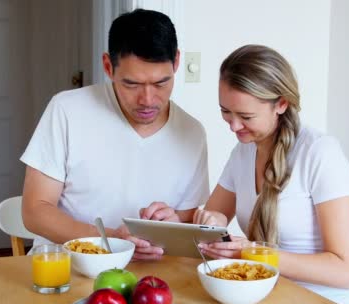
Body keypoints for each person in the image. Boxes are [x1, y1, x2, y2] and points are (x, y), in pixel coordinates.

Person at [144, 44, 349, 304]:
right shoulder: (243, 151)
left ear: (281, 104)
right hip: (280, 300)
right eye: (226, 111)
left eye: (246, 116)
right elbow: (214, 216)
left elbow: (345, 271)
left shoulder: (320, 153)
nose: (234, 126)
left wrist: (252, 252)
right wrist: (183, 222)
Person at [20, 9, 209, 260]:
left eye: (161, 83)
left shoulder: (191, 133)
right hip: (67, 269)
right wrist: (108, 240)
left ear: (176, 62)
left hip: (149, 277)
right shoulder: (67, 110)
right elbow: (35, 211)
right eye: (131, 84)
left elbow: (188, 216)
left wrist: (173, 222)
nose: (148, 100)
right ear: (108, 66)